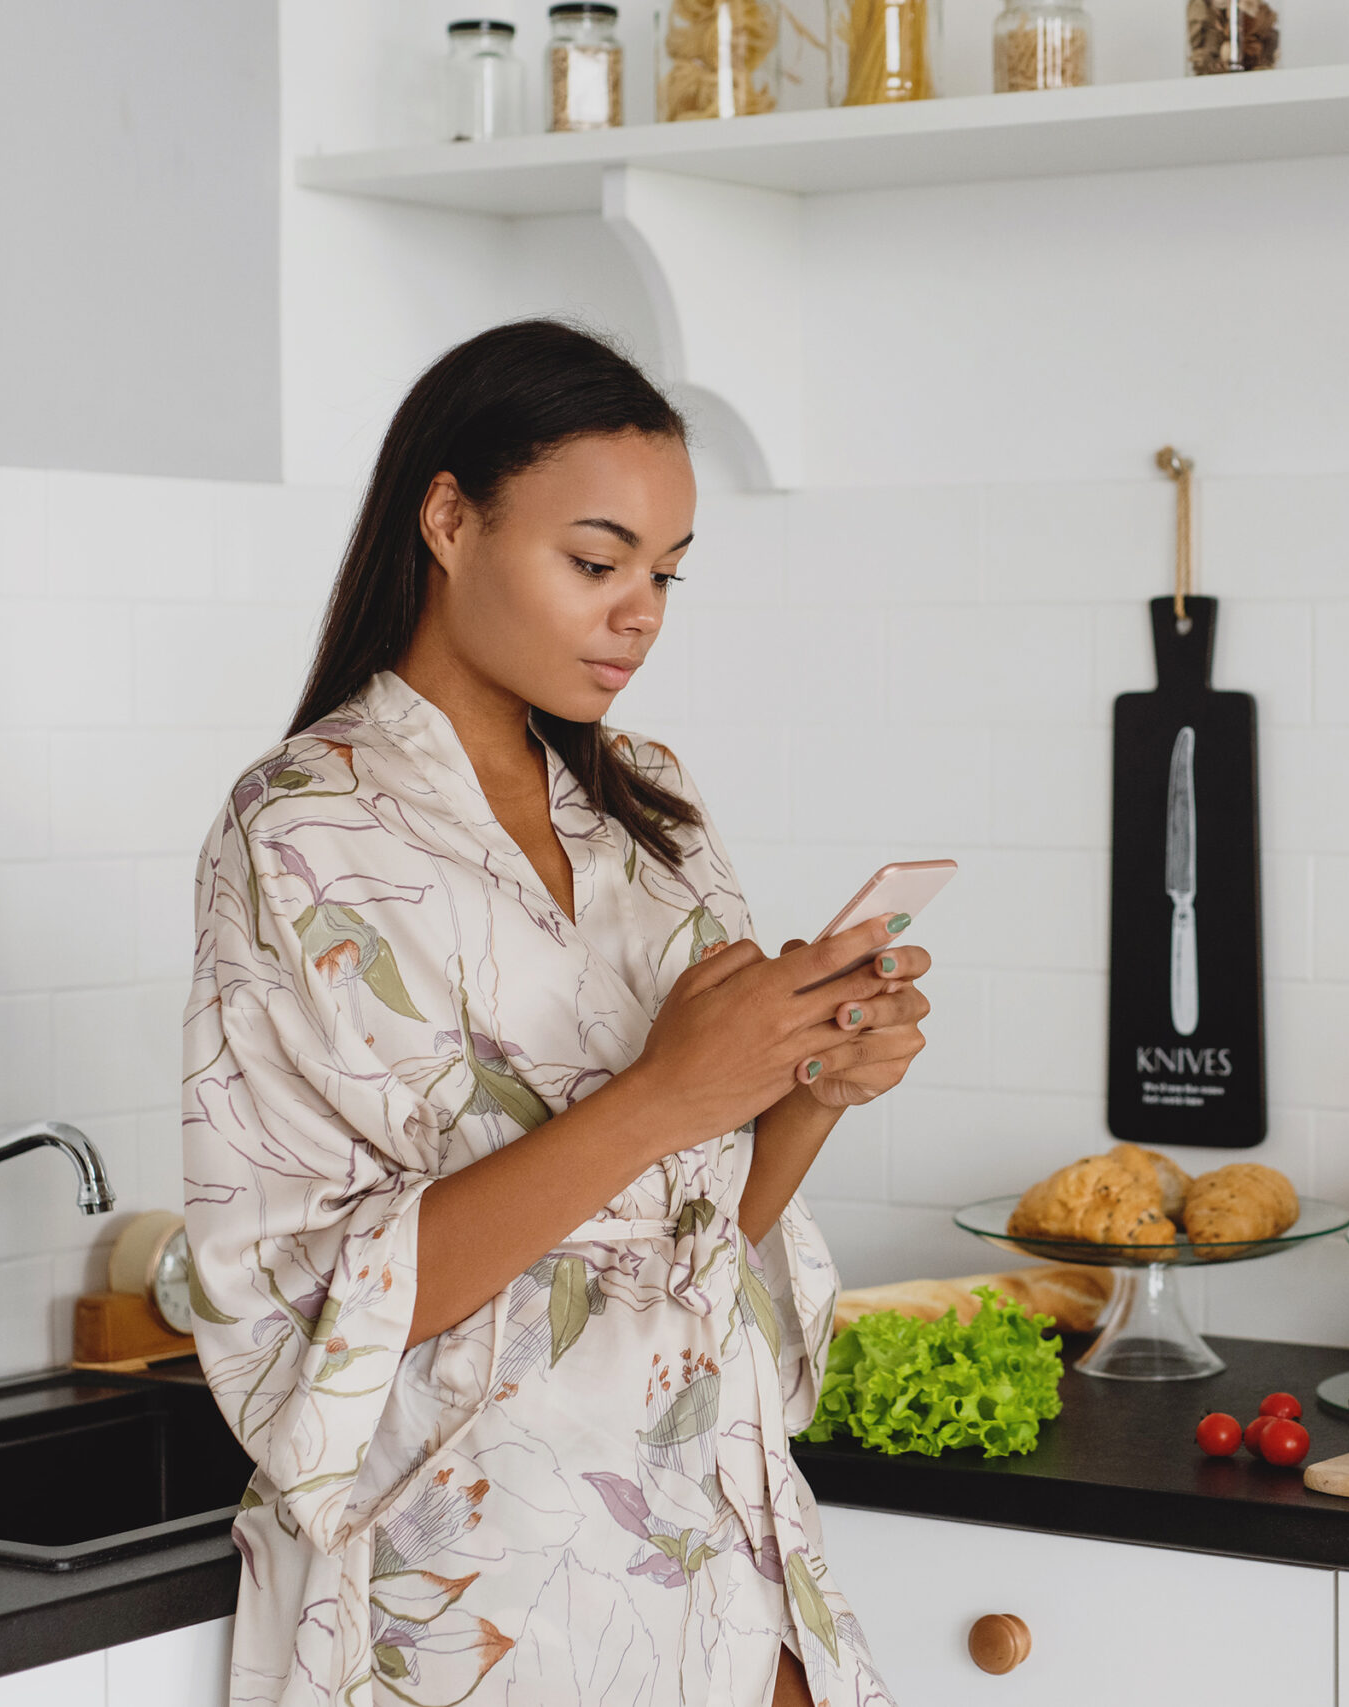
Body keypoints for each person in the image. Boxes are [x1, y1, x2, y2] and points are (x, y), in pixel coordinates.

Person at [182, 320, 921, 1707]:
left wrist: (806, 1085)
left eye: (664, 574)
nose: (638, 611)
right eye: (595, 562)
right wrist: (667, 1096)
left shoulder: (654, 810)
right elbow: (316, 1305)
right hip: (478, 1590)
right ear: (449, 518)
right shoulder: (299, 833)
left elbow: (694, 1237)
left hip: (726, 1546)